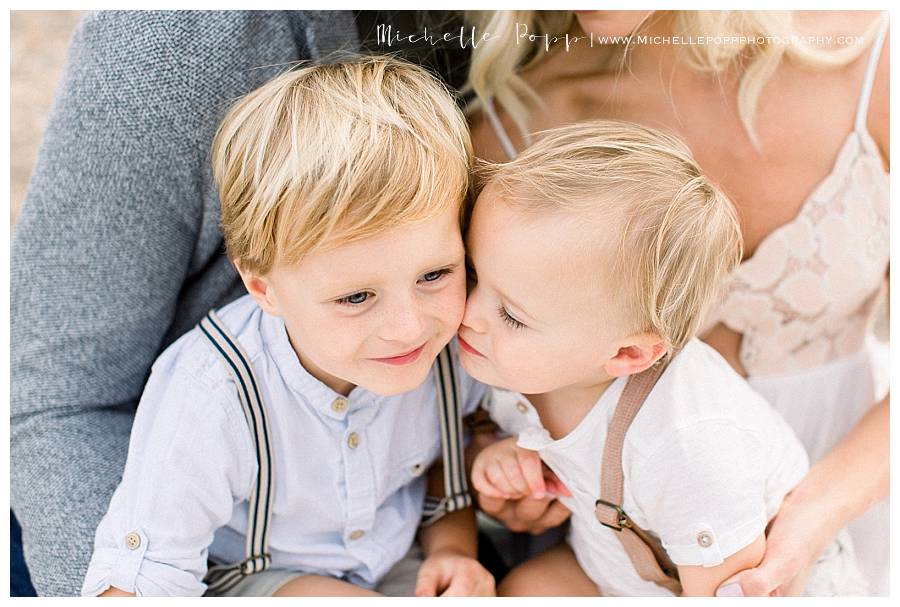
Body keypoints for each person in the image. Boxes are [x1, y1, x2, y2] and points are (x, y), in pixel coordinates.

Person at [10, 10, 472, 596]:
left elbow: (464, 441)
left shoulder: (452, 342)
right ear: (262, 288)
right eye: (355, 296)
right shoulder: (210, 391)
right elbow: (146, 566)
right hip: (251, 574)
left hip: (399, 561)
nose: (408, 326)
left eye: (435, 273)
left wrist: (463, 534)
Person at [462, 10, 889, 596]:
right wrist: (498, 461)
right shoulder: (514, 134)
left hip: (857, 496)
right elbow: (498, 393)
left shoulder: (873, 59)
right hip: (624, 550)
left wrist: (812, 516)